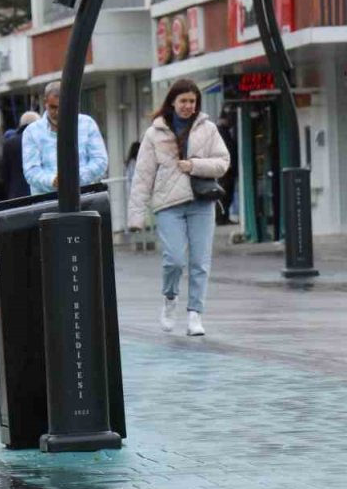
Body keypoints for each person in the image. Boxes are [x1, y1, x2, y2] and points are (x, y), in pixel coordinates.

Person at [127, 79, 231, 338]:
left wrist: (195, 166)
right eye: (183, 101)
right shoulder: (155, 133)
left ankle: (195, 314)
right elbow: (142, 176)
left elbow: (223, 162)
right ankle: (170, 298)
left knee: (200, 262)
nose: (188, 106)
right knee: (173, 259)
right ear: (172, 102)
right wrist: (136, 215)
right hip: (168, 204)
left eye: (192, 101)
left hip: (201, 201)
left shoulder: (208, 129)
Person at [22, 81, 109, 195]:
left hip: (84, 198)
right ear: (45, 103)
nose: (58, 113)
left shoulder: (87, 124)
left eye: (63, 107)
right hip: (47, 203)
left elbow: (100, 161)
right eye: (53, 107)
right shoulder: (32, 132)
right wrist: (53, 181)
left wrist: (75, 177)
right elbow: (31, 171)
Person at [0, 111, 40, 202]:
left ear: (20, 124)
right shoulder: (43, 142)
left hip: (17, 197)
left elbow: (4, 176)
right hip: (42, 196)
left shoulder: (10, 144)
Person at [214, 111, 238, 225]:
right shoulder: (222, 132)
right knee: (225, 192)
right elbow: (227, 148)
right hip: (226, 168)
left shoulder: (222, 131)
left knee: (226, 192)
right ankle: (221, 217)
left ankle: (222, 217)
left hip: (225, 167)